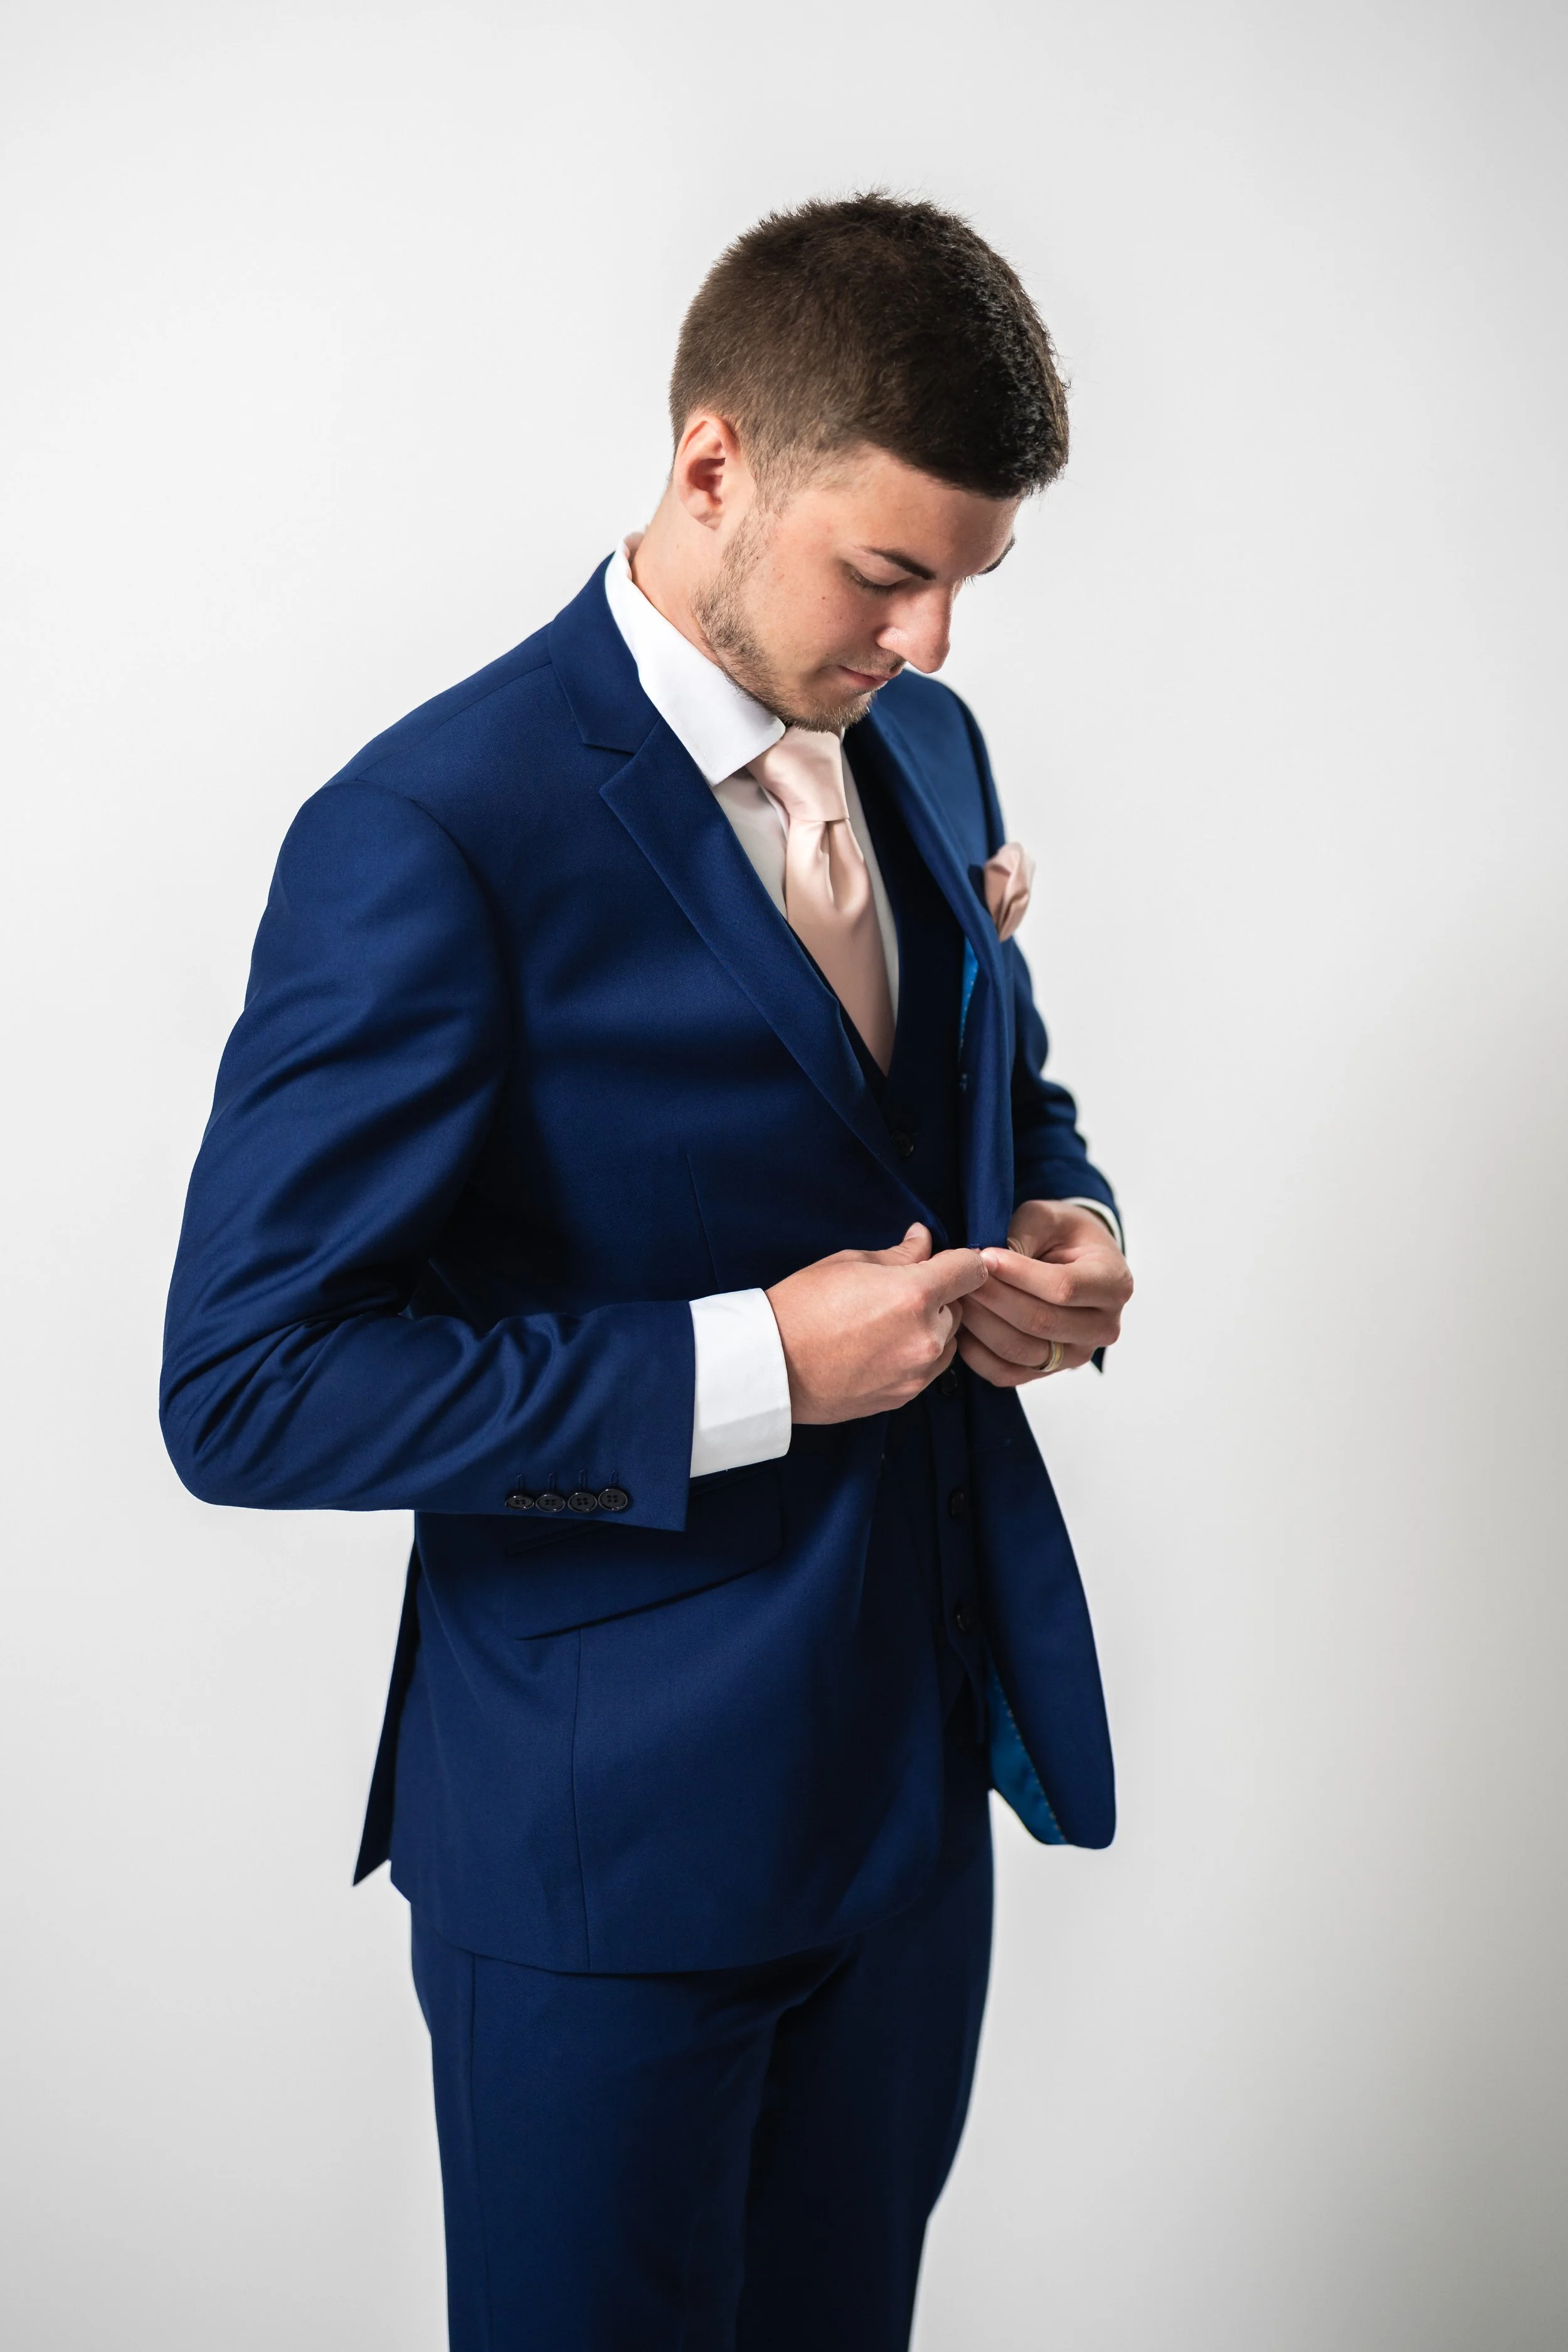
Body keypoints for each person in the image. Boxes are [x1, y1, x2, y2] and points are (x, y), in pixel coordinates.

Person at [161, 191, 1133, 2351]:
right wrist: (756, 1365)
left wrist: (1070, 1224)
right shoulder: (429, 832)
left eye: (970, 584)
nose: (932, 644)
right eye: (886, 572)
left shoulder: (928, 745)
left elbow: (994, 1089)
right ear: (712, 466)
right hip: (606, 1864)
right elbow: (245, 1383)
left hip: (905, 1799)